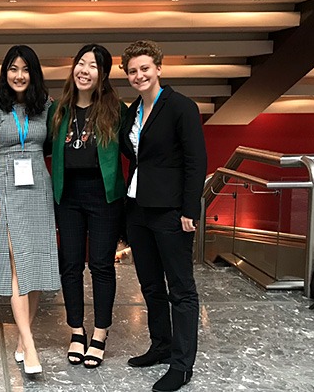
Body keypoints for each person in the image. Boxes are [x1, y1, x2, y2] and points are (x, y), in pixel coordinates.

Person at [119, 40, 207, 392]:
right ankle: (161, 345)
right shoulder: (133, 111)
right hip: (137, 207)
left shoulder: (180, 107)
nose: (139, 75)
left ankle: (182, 365)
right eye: (132, 71)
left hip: (171, 210)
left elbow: (195, 161)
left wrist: (189, 209)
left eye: (144, 68)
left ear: (158, 67)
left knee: (181, 289)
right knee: (151, 284)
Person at [47, 44, 127, 368]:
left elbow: (137, 150)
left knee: (101, 265)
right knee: (70, 265)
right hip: (67, 194)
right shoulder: (59, 110)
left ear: (103, 74)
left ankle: (100, 333)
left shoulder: (116, 110)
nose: (84, 70)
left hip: (104, 194)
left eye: (93, 66)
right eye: (81, 63)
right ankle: (76, 330)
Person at [0, 45, 61, 375]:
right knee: (17, 266)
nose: (19, 75)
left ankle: (21, 341)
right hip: (7, 188)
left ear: (34, 73)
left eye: (25, 69)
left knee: (37, 266)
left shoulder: (46, 107)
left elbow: (55, 149)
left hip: (39, 189)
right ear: (5, 73)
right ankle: (29, 343)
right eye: (13, 69)